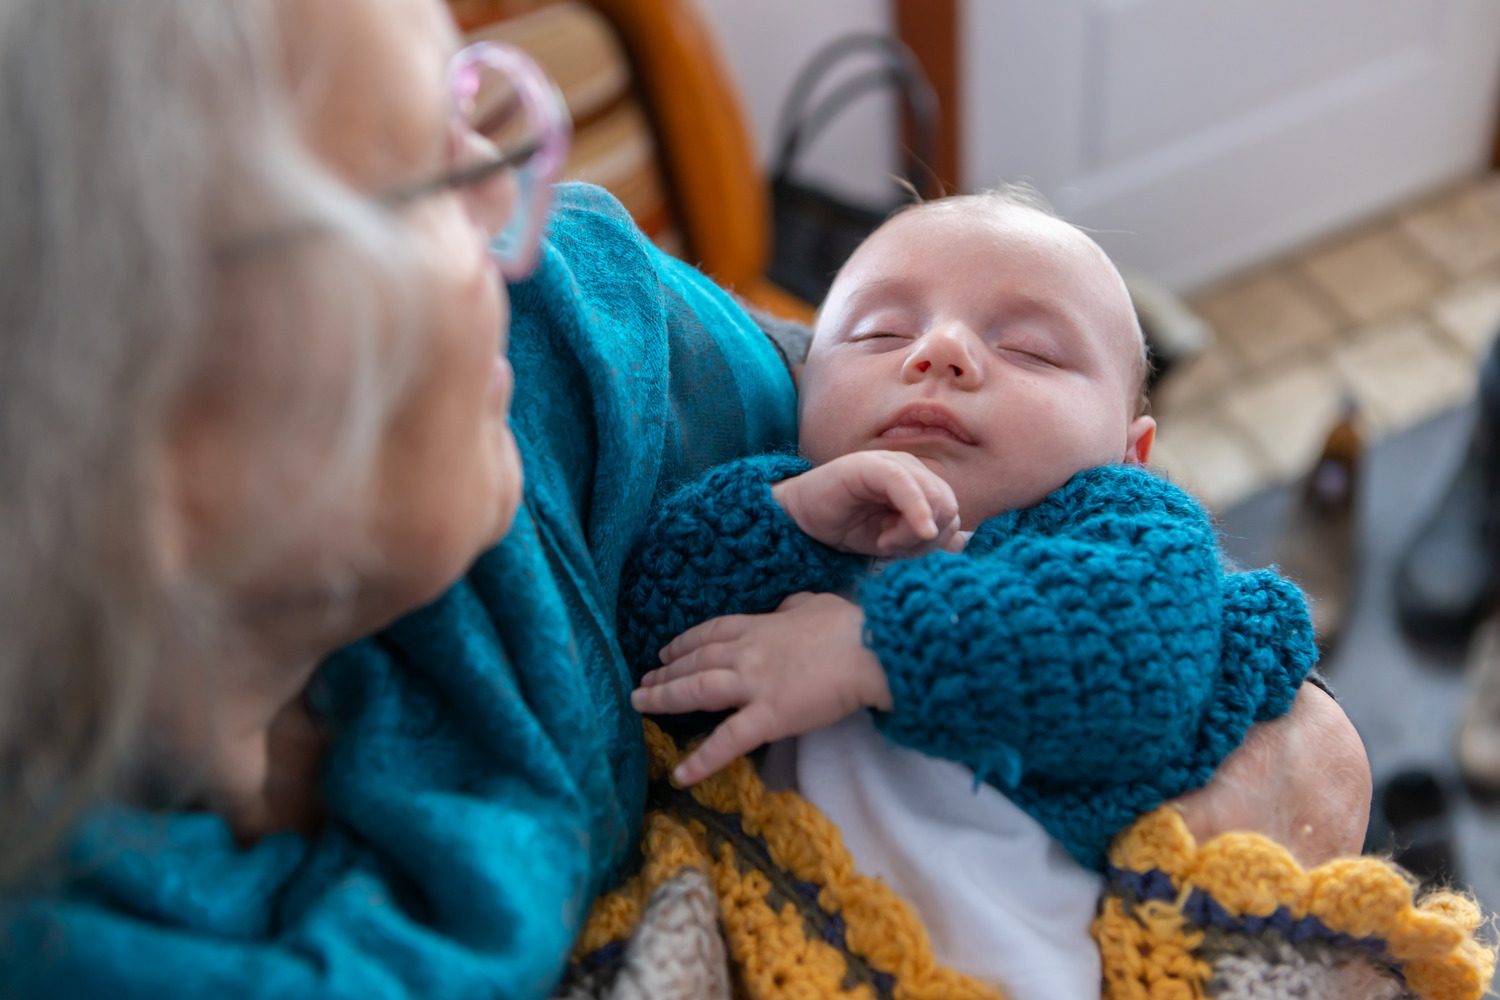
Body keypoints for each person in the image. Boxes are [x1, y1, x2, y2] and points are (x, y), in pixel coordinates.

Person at [0, 1, 1371, 996]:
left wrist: (885, 642)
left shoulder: (575, 340)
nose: (515, 215)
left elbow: (1152, 609)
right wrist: (788, 518)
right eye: (420, 177)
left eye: (476, 114)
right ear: (118, 406)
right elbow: (685, 589)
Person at [620, 191, 1317, 998]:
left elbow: (1132, 654)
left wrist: (869, 649)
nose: (940, 352)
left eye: (1030, 351)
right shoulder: (782, 518)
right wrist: (787, 519)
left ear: (1134, 453)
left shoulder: (1123, 529)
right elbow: (651, 655)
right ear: (802, 390)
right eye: (881, 334)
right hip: (772, 939)